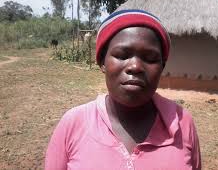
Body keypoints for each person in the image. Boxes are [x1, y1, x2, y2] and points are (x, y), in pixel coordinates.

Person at [45, 9, 201, 170]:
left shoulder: (182, 123)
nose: (135, 66)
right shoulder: (73, 124)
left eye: (150, 58)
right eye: (121, 55)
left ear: (162, 66)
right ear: (102, 62)